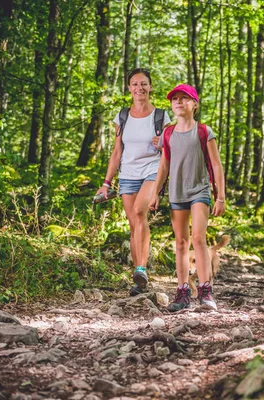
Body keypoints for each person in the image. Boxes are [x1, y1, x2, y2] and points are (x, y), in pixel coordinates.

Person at [148, 83, 226, 312]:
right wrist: (155, 193)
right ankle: (182, 292)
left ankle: (205, 290)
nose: (179, 102)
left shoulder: (204, 131)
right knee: (181, 242)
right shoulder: (168, 133)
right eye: (175, 99)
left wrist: (220, 197)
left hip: (199, 191)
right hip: (176, 193)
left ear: (195, 104)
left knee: (199, 238)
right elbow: (164, 165)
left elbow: (216, 165)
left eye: (184, 98)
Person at [96, 68, 170, 296]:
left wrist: (162, 144)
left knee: (140, 212)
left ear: (150, 87)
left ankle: (141, 267)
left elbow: (170, 148)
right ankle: (139, 281)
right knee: (133, 224)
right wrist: (106, 183)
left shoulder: (161, 116)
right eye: (135, 84)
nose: (140, 88)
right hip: (128, 174)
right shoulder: (122, 116)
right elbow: (117, 152)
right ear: (129, 88)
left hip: (152, 170)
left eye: (144, 84)